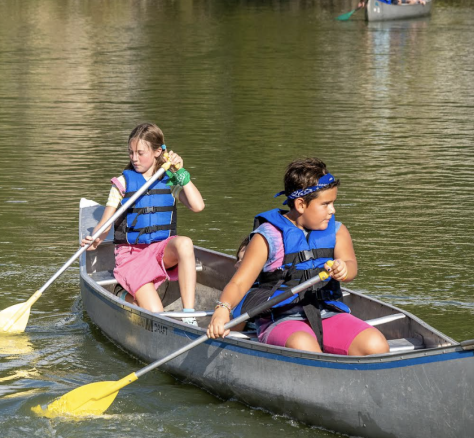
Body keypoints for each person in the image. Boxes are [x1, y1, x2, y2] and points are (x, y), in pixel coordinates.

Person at [207, 158, 389, 356]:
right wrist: (222, 309)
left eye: (333, 203)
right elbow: (239, 283)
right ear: (301, 204)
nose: (332, 210)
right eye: (325, 204)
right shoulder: (267, 237)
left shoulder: (337, 231)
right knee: (304, 346)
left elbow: (351, 266)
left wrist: (344, 268)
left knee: (376, 344)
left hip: (327, 313)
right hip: (280, 318)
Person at [81, 122, 205, 324]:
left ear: (158, 152)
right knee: (156, 315)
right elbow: (105, 224)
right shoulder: (123, 183)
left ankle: (189, 314)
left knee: (184, 243)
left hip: (159, 251)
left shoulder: (169, 180)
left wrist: (182, 174)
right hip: (131, 258)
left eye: (140, 153)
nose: (134, 159)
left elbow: (198, 206)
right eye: (131, 153)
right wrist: (95, 239)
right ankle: (123, 294)